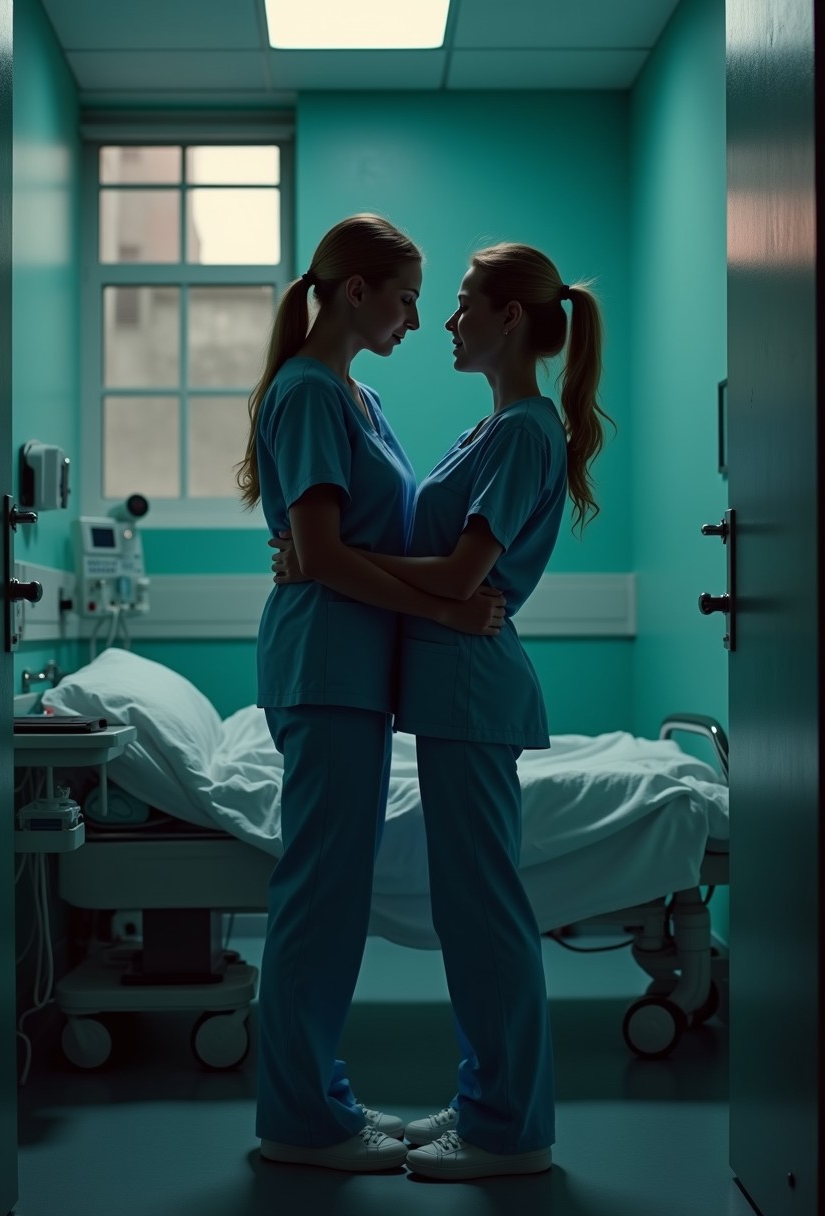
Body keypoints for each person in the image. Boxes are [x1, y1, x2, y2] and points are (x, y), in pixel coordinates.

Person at [272, 241, 611, 1180]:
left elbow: (465, 577)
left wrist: (323, 559)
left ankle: (506, 1126)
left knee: (484, 912)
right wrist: (319, 557)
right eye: (426, 300)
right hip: (426, 679)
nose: (440, 321)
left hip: (466, 684)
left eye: (458, 303)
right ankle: (482, 1109)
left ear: (509, 318)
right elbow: (403, 557)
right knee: (469, 909)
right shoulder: (493, 426)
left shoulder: (520, 431)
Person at [235, 214, 506, 1175]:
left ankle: (320, 1100)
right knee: (319, 897)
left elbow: (351, 549)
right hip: (325, 669)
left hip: (354, 669)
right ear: (355, 292)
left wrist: (403, 584)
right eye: (404, 297)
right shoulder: (311, 393)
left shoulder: (360, 397)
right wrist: (449, 604)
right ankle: (303, 1122)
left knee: (334, 897)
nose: (416, 317)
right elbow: (321, 557)